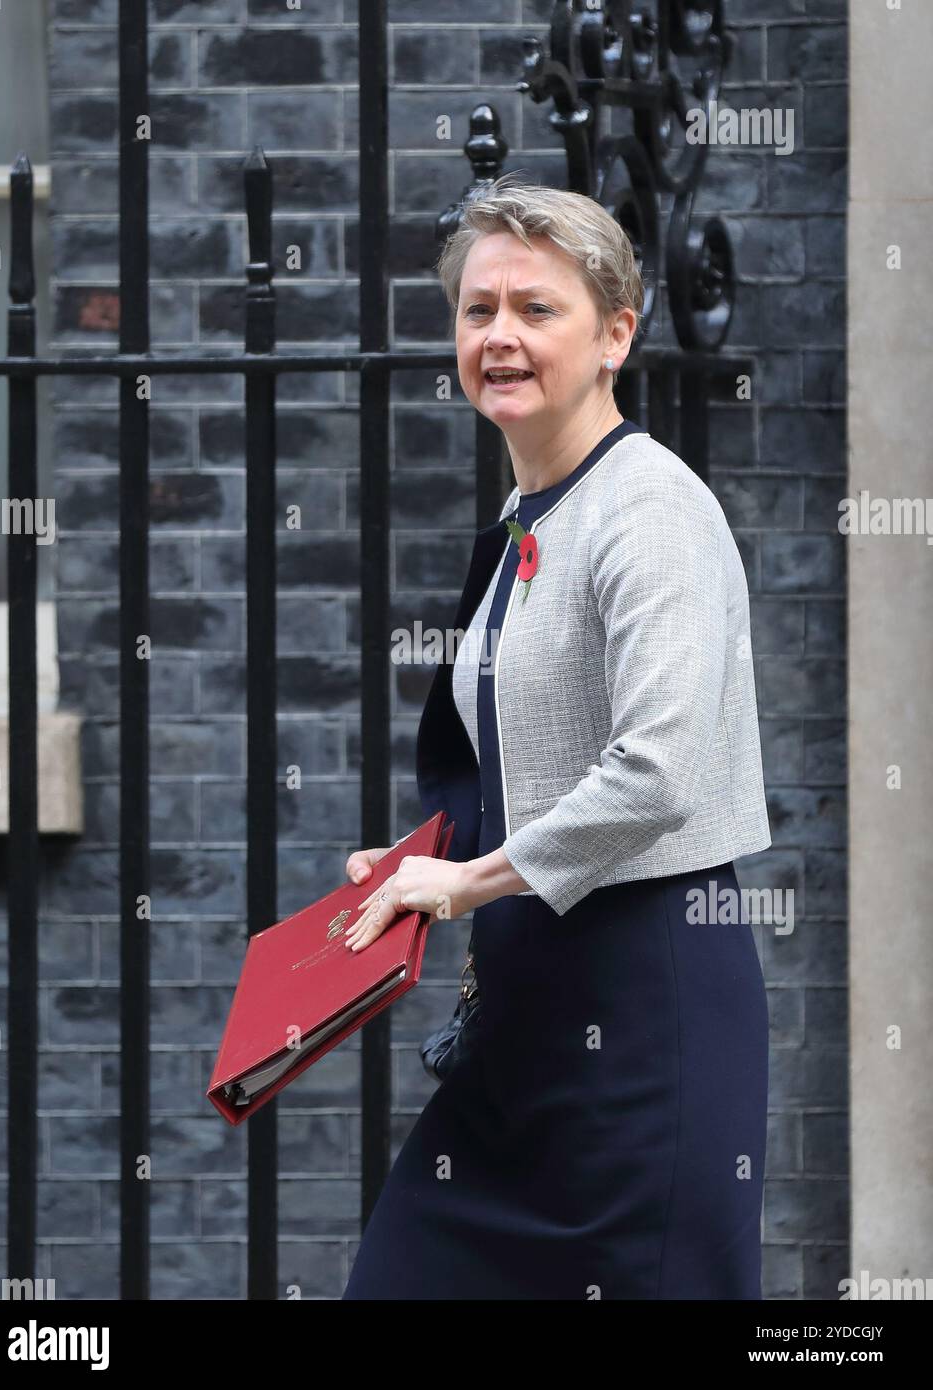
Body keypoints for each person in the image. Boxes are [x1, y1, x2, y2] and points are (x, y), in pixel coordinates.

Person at [340, 174, 772, 1300]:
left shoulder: (651, 511)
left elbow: (659, 768)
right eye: (479, 309)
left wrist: (468, 880)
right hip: (524, 1018)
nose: (500, 336)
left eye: (538, 309)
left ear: (616, 334)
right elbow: (532, 751)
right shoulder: (537, 513)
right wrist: (416, 865)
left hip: (643, 1009)